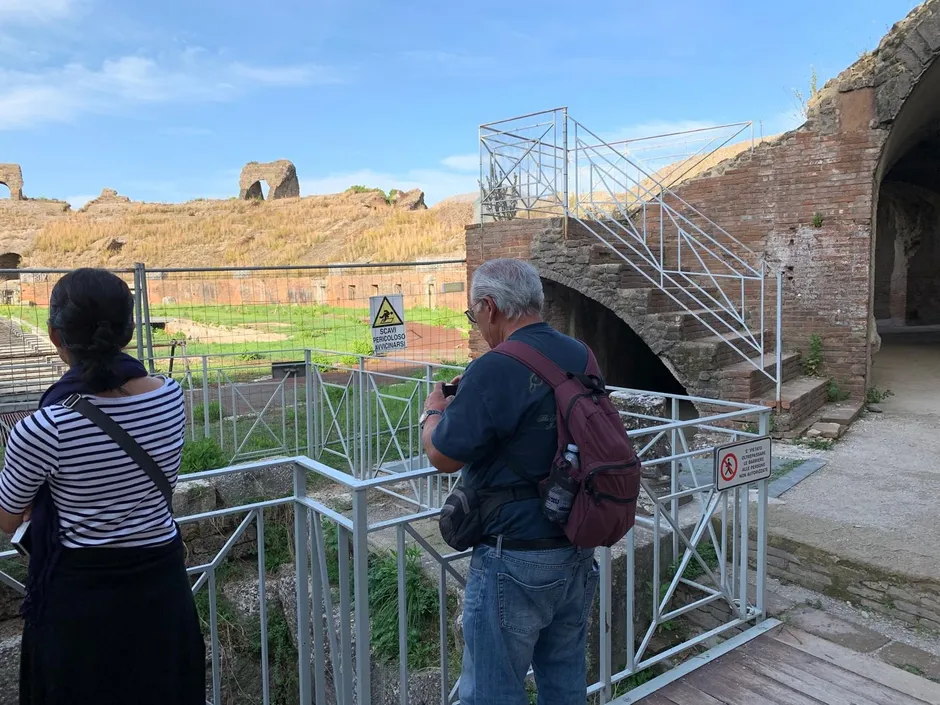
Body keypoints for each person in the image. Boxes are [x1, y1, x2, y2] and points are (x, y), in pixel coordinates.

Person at [0, 268, 205, 704]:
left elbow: (7, 517)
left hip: (81, 601)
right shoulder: (171, 396)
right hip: (161, 587)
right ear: (129, 332)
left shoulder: (42, 428)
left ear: (55, 335)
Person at [420, 258, 599, 705]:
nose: (476, 323)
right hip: (576, 548)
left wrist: (434, 412)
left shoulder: (494, 366)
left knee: (492, 692)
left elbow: (442, 454)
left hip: (514, 560)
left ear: (490, 306)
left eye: (472, 314)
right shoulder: (582, 354)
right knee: (565, 683)